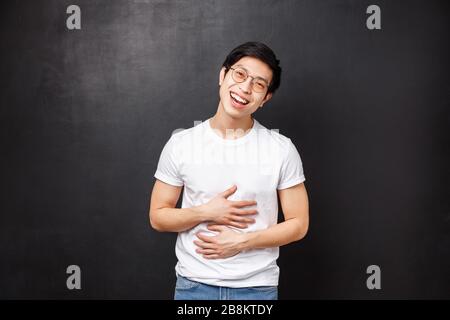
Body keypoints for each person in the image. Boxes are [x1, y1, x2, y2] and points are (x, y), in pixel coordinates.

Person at [149, 42, 309, 300]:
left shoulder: (281, 148)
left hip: (256, 288)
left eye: (258, 84)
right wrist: (205, 211)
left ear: (265, 98)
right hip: (194, 286)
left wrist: (242, 241)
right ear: (223, 76)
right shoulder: (181, 143)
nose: (245, 88)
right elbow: (158, 217)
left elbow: (299, 224)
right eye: (240, 74)